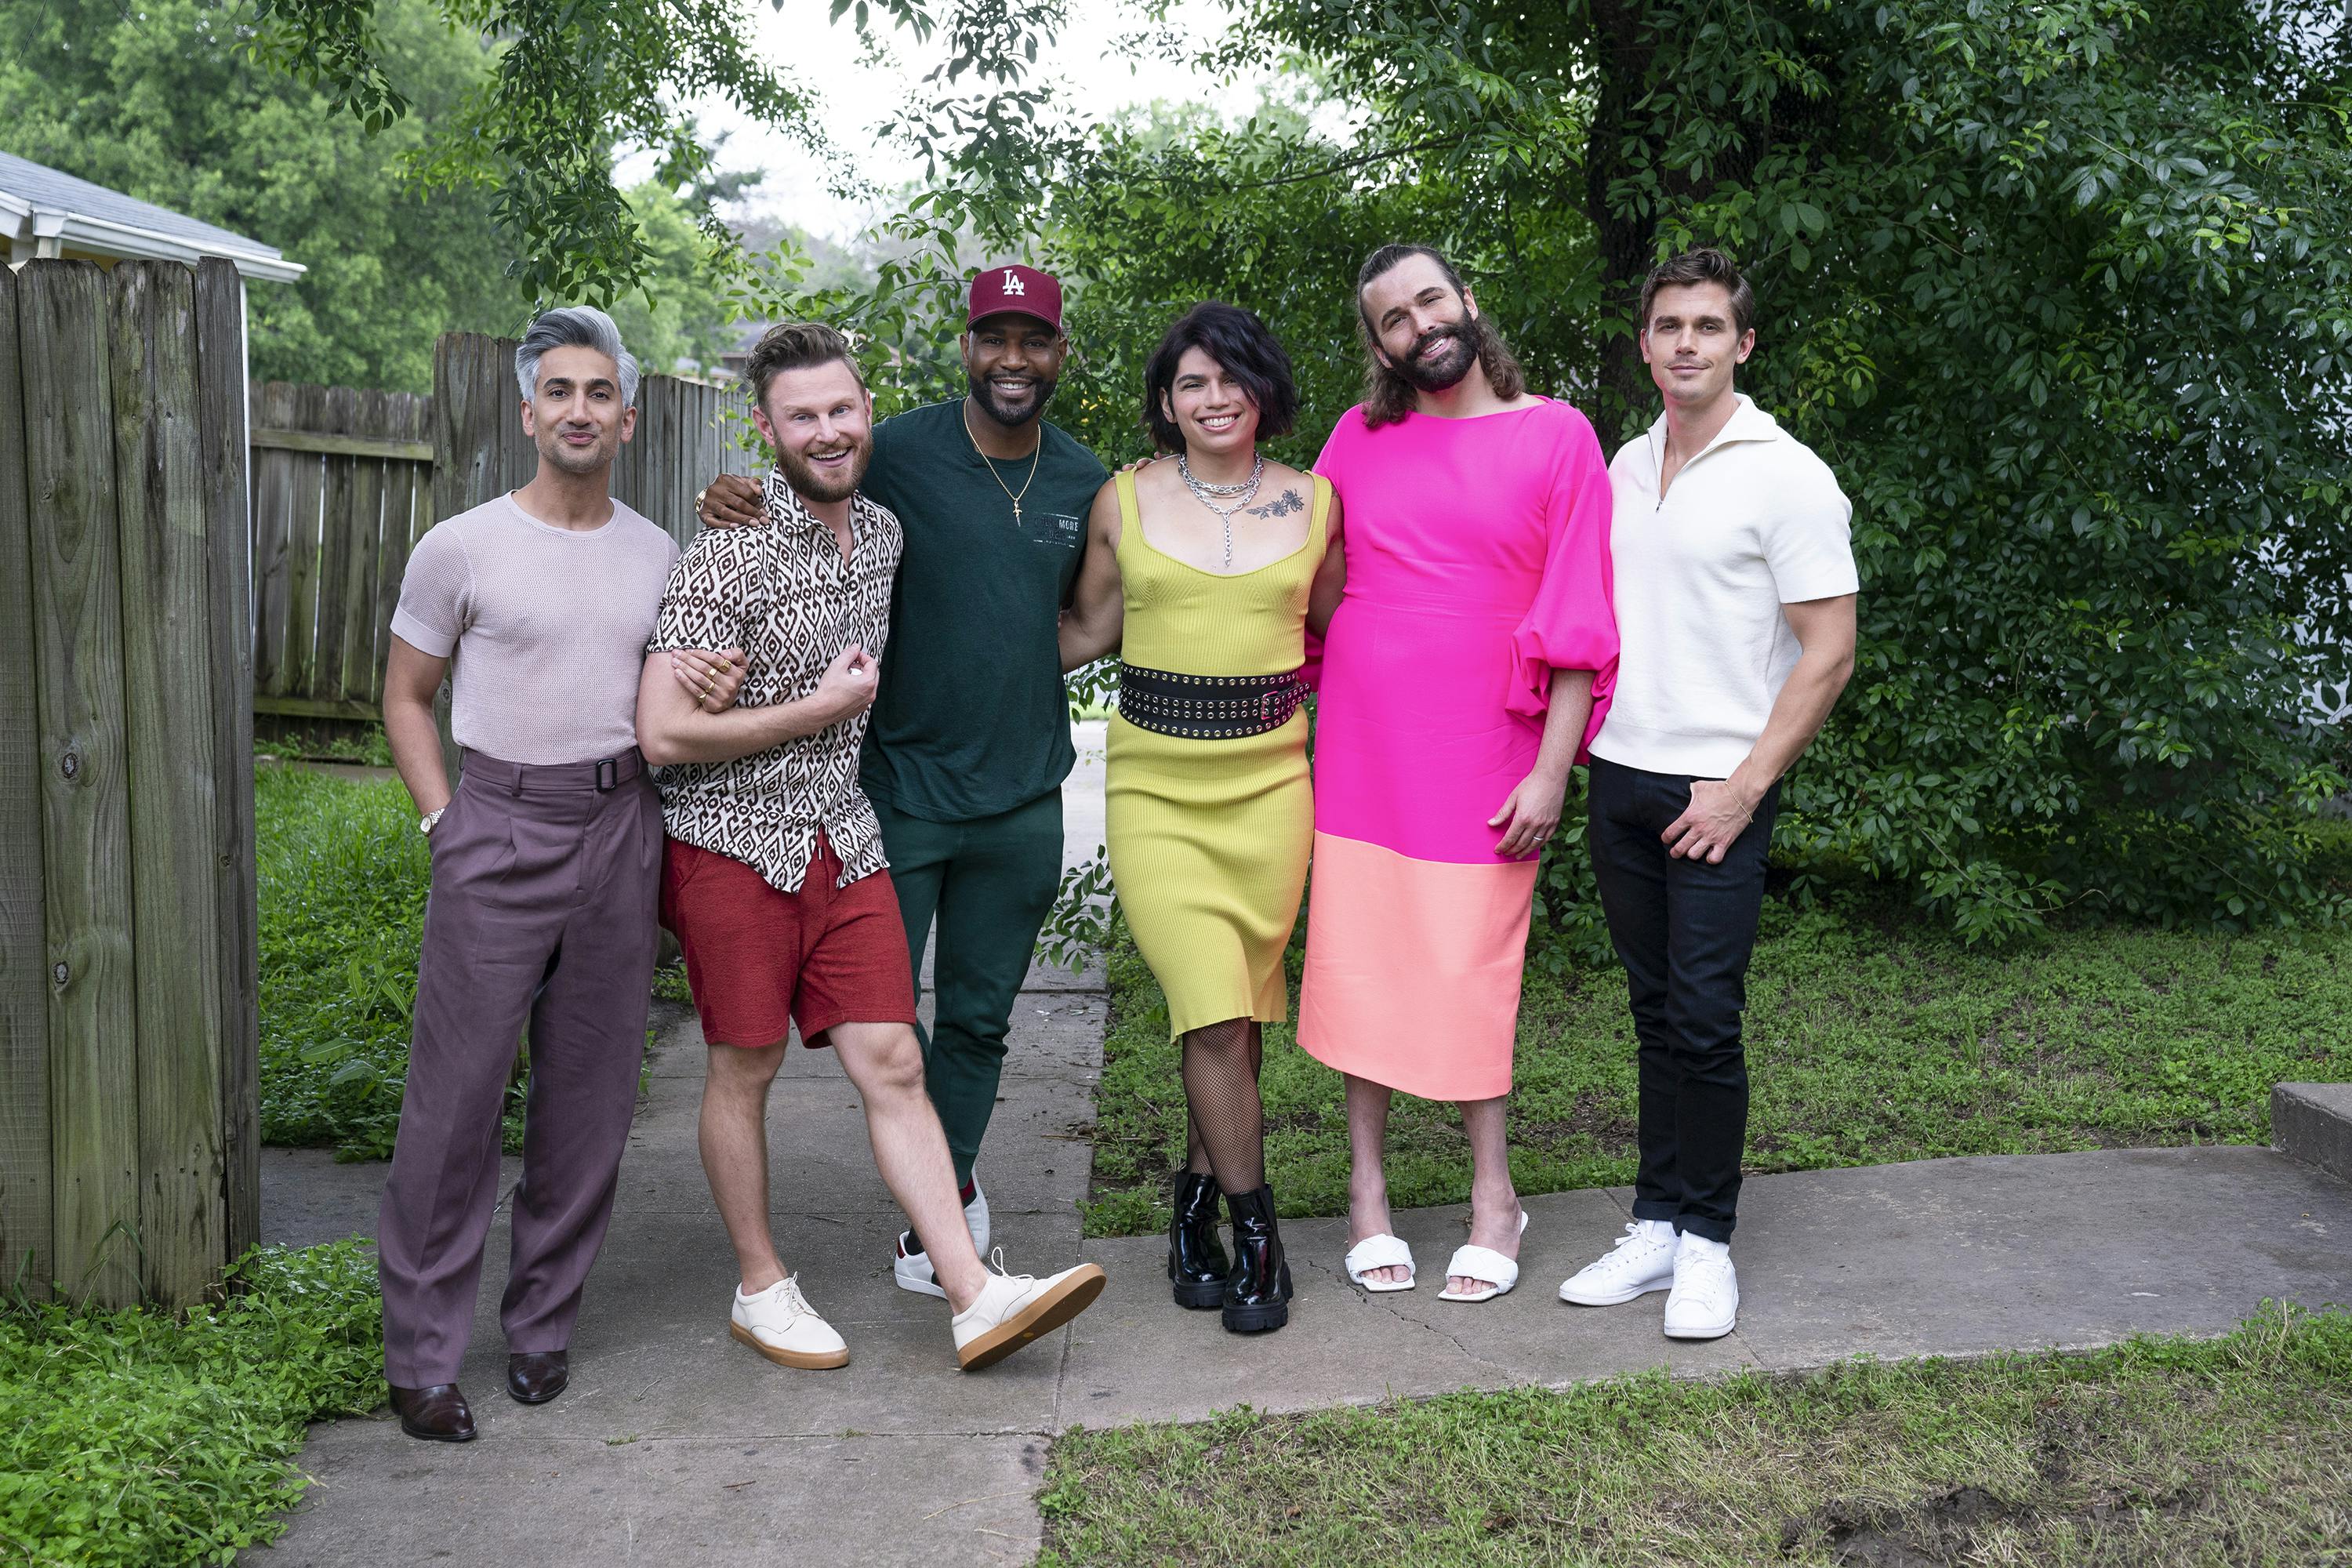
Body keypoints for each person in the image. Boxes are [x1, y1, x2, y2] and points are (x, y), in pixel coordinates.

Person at [637, 321, 1106, 1371]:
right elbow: (663, 733)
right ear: (767, 429)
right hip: (731, 842)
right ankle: (762, 1287)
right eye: (800, 416)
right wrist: (811, 711)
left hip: (842, 836)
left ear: (868, 417)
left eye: (841, 410)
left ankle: (972, 1293)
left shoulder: (885, 534)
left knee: (892, 1056)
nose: (827, 430)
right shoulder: (731, 544)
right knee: (744, 1064)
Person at [376, 307, 747, 1443]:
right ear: (529, 411)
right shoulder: (462, 546)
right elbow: (403, 696)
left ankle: (540, 1331)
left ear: (626, 421)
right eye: (562, 393)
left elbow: (685, 696)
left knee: (587, 1103)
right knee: (457, 1104)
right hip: (496, 822)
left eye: (601, 395)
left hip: (619, 826)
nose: (579, 411)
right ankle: (425, 1357)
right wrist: (447, 821)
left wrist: (721, 684)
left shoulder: (658, 555)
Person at [1305, 245, 1619, 1304]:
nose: (1418, 325)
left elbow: (1578, 616)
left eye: (1430, 300)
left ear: (1468, 304)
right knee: (1363, 957)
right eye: (1392, 318)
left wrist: (1553, 770)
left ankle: (1496, 1197)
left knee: (1470, 963)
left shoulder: (1557, 434)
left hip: (1489, 746)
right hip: (1362, 744)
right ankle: (1367, 1195)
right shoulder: (1356, 438)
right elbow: (1307, 581)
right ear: (1379, 344)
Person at [1558, 248, 1857, 1340]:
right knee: (1651, 1015)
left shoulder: (1787, 474)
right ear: (1645, 345)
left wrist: (1744, 788)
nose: (1687, 343)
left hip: (1717, 785)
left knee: (1704, 1016)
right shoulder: (1623, 468)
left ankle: (1710, 1248)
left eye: (1708, 326)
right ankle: (1656, 1224)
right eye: (1669, 326)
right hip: (1622, 775)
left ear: (1744, 343)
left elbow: (1829, 651)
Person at [1058, 303, 1344, 1334]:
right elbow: (1085, 627)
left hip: (1272, 791)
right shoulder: (1122, 501)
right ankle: (1260, 1236)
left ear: (1261, 389)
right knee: (1213, 1013)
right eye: (1191, 384)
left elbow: (1338, 630)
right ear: (1166, 404)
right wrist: (957, 658)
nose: (1213, 398)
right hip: (1156, 795)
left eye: (1230, 379)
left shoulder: (1316, 504)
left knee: (1240, 1021)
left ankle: (1189, 1217)